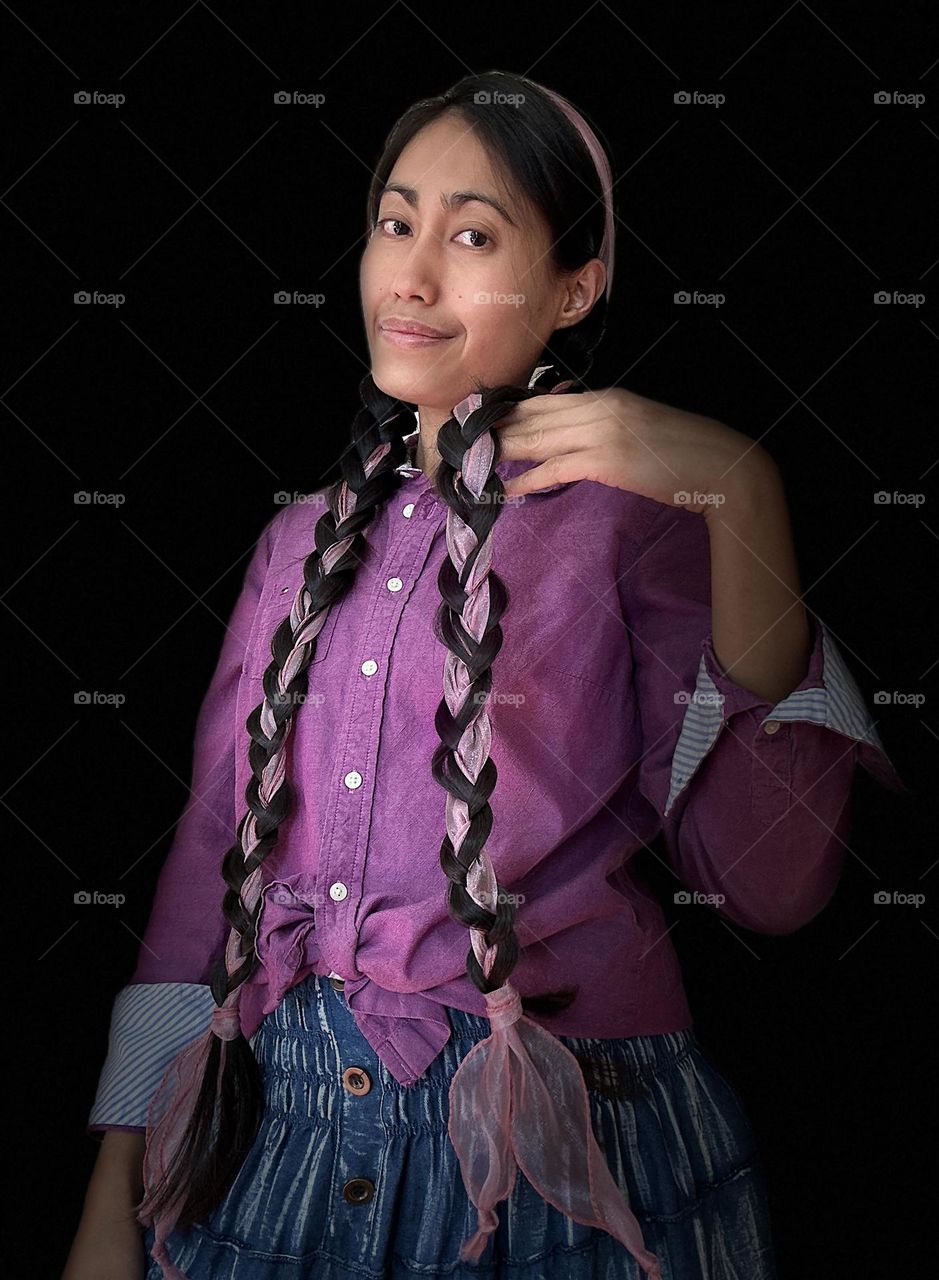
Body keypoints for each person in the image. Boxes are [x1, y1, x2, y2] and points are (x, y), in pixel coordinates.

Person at [63, 70, 906, 1280]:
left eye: (472, 235)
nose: (409, 275)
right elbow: (206, 879)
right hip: (280, 1148)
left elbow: (772, 882)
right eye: (395, 223)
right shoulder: (295, 544)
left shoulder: (642, 526)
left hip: (568, 1172)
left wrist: (740, 488)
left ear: (574, 286)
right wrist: (114, 1179)